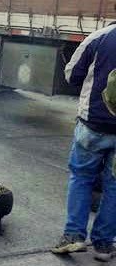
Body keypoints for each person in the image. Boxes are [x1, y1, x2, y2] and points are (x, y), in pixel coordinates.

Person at [51, 24, 116, 262]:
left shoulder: (100, 37)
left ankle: (73, 236)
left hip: (94, 125)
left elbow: (72, 75)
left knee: (81, 177)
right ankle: (104, 246)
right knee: (114, 186)